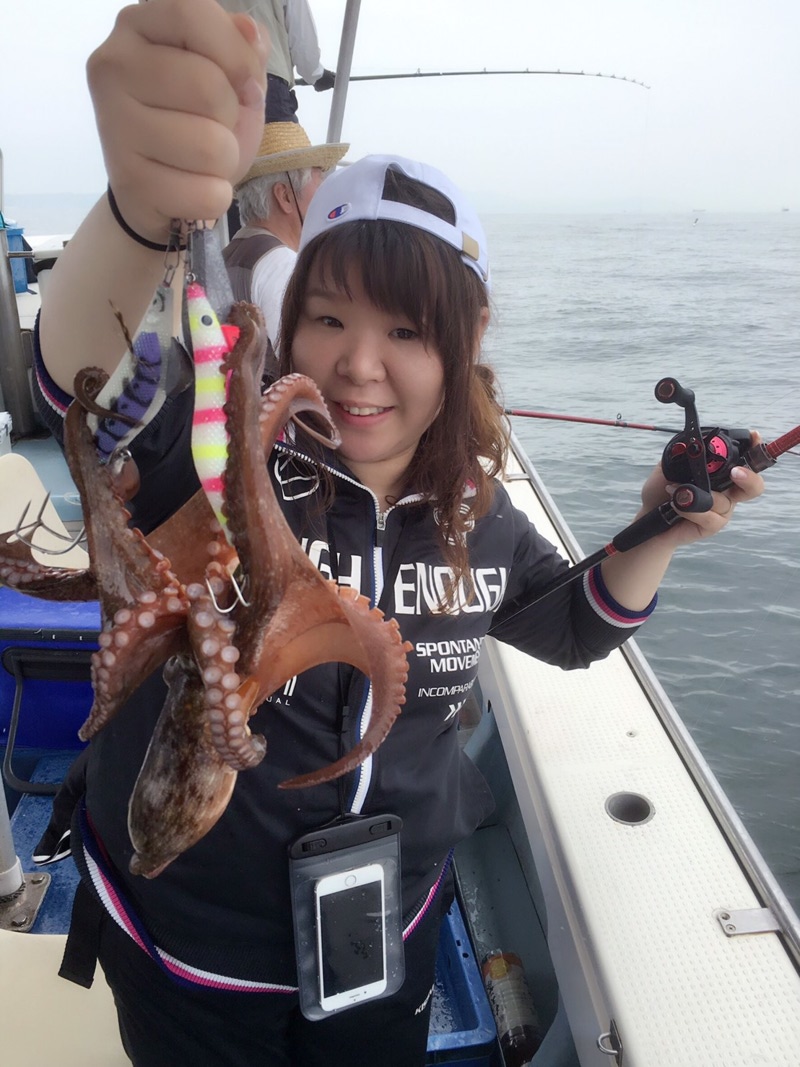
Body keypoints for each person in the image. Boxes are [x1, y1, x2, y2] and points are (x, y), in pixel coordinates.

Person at [34, 2, 764, 1064]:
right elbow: (79, 395)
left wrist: (659, 525)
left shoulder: (475, 509)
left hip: (381, 938)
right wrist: (139, 213)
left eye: (408, 330)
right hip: (190, 952)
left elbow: (569, 626)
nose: (358, 364)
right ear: (293, 322)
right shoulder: (217, 469)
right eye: (329, 318)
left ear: (465, 340)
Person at [223, 120, 347, 370]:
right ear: (285, 196)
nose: (324, 194)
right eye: (319, 181)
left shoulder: (228, 254)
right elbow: (296, 367)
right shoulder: (282, 265)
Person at [219, 0, 336, 122]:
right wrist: (317, 75)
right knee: (278, 134)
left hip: (215, 81)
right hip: (267, 84)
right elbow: (302, 40)